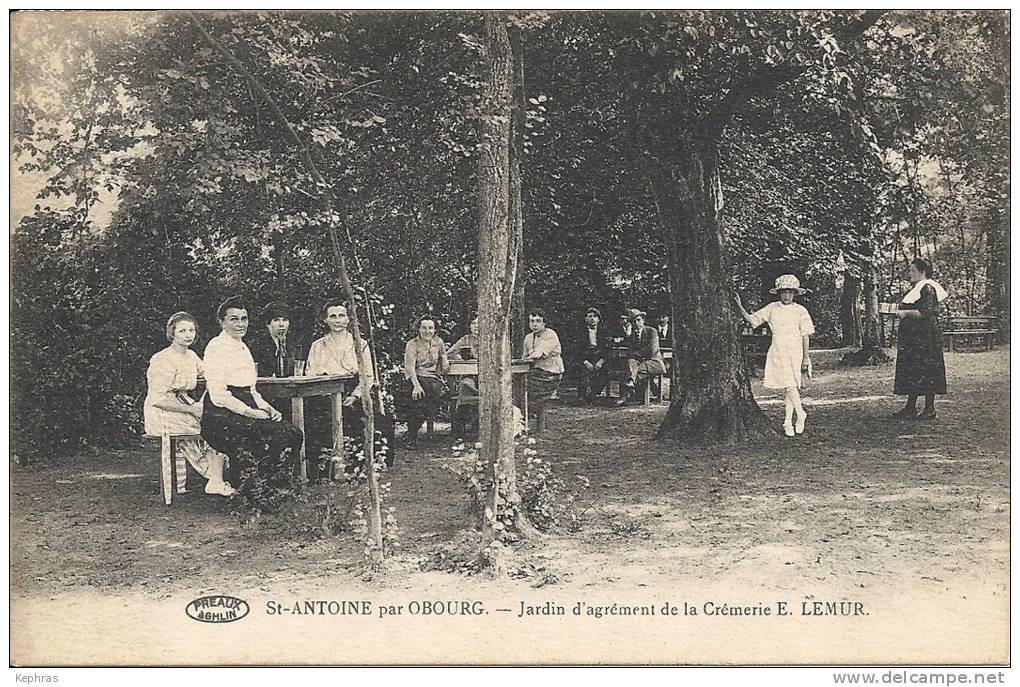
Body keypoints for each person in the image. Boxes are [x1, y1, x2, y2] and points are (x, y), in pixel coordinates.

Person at [200, 296, 304, 501]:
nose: (240, 324)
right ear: (221, 322)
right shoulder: (216, 347)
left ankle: (276, 487)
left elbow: (252, 390)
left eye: (244, 319)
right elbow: (219, 395)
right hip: (220, 414)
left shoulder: (243, 347)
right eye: (234, 319)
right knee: (256, 434)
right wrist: (251, 413)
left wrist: (268, 409)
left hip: (246, 404)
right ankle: (255, 492)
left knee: (292, 433)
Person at [144, 312, 234, 497]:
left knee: (221, 418)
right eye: (182, 331)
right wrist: (193, 409)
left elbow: (209, 374)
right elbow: (158, 399)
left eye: (191, 330)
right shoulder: (163, 359)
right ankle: (215, 478)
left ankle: (217, 478)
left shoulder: (191, 356)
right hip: (162, 412)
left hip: (184, 405)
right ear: (172, 334)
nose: (188, 335)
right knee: (213, 424)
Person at [305, 299, 389, 473]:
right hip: (324, 393)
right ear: (325, 320)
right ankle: (323, 467)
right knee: (318, 420)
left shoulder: (361, 344)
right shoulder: (317, 345)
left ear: (348, 319)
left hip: (353, 392)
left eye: (341, 316)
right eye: (332, 316)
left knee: (365, 418)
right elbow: (310, 374)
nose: (337, 320)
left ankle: (358, 464)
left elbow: (367, 376)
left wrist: (355, 395)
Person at [734, 274, 815, 437]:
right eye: (784, 292)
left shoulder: (800, 311)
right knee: (788, 384)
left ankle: (788, 422)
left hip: (796, 350)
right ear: (779, 293)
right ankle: (800, 414)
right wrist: (740, 307)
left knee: (791, 386)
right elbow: (753, 320)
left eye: (790, 292)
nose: (787, 296)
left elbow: (806, 335)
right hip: (779, 349)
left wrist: (806, 357)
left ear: (795, 293)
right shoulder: (772, 308)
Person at [892, 258, 948, 420]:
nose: (910, 274)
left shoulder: (928, 288)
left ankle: (929, 408)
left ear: (922, 272)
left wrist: (904, 314)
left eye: (913, 271)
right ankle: (910, 407)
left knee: (926, 369)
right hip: (914, 336)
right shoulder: (917, 288)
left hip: (926, 336)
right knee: (913, 369)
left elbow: (925, 312)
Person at [400, 315, 450, 449]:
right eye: (424, 328)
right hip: (417, 378)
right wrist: (416, 386)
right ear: (418, 329)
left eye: (430, 328)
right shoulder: (412, 344)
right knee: (419, 402)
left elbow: (443, 356)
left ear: (434, 330)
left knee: (433, 399)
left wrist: (444, 360)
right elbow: (409, 367)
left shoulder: (438, 342)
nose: (427, 331)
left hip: (433, 380)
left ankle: (411, 433)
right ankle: (411, 437)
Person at [522, 308, 564, 434]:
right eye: (531, 321)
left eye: (538, 321)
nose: (534, 324)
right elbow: (525, 357)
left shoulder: (551, 335)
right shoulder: (528, 338)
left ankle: (525, 420)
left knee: (530, 394)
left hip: (551, 373)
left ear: (544, 323)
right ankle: (521, 421)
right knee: (518, 388)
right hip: (535, 372)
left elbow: (539, 352)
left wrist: (529, 358)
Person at [615, 309, 667, 406]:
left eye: (638, 320)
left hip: (653, 362)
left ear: (643, 320)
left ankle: (627, 392)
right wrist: (634, 355)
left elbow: (652, 349)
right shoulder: (632, 336)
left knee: (630, 370)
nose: (636, 323)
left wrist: (637, 354)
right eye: (634, 321)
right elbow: (629, 351)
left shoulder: (652, 331)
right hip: (638, 364)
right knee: (630, 362)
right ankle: (631, 385)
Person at [449, 315, 481, 439]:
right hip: (470, 375)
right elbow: (450, 353)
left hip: (488, 378)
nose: (476, 326)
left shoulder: (491, 339)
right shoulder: (465, 339)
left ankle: (478, 423)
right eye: (473, 323)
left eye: (479, 323)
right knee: (465, 385)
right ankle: (462, 424)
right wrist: (460, 358)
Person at [248, 302, 298, 378]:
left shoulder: (295, 345)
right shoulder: (257, 346)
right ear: (268, 324)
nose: (281, 324)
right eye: (276, 320)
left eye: (285, 320)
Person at [575, 307, 610, 403]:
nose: (592, 319)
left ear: (598, 319)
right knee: (583, 372)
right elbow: (577, 349)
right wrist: (585, 362)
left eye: (595, 316)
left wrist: (601, 361)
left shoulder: (603, 331)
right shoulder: (580, 332)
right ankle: (581, 396)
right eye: (590, 316)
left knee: (606, 373)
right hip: (585, 356)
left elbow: (607, 348)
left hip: (599, 356)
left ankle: (593, 394)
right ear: (586, 319)